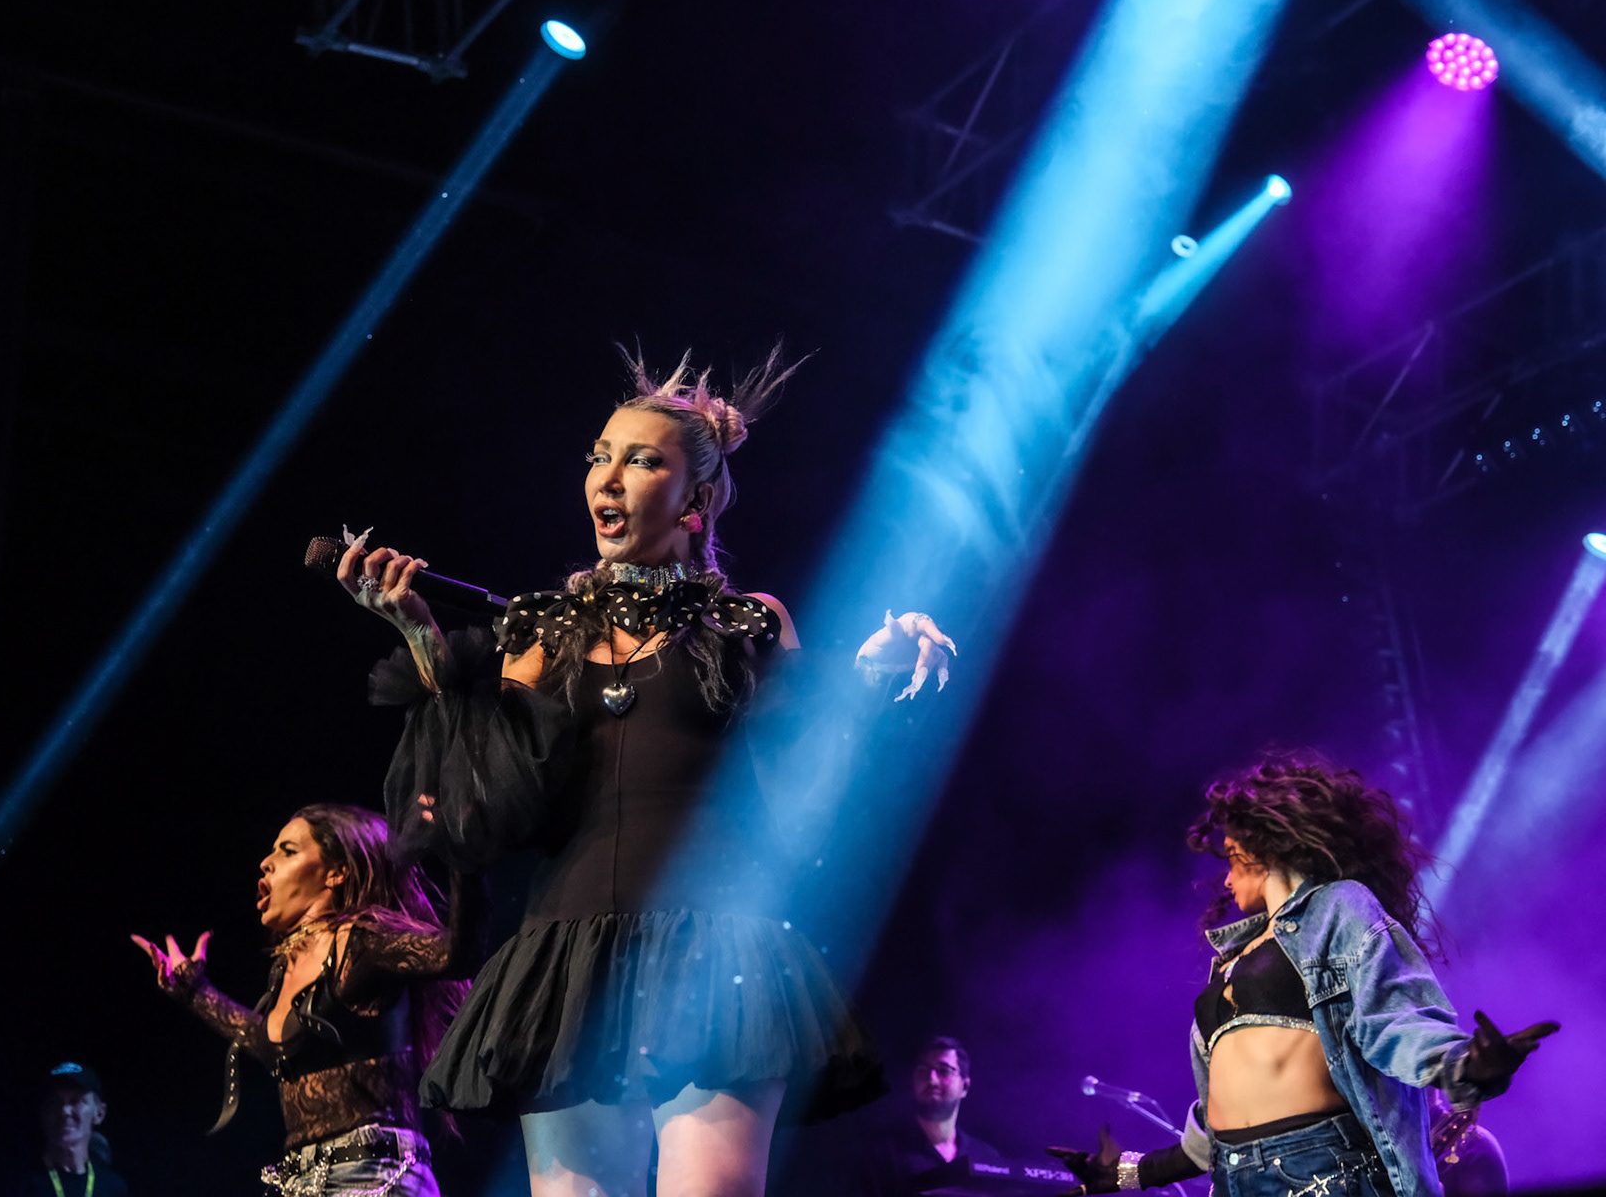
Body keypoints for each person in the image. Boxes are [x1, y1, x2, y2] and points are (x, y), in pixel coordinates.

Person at [339, 348, 955, 1197]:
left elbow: (809, 782)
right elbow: (491, 819)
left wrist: (868, 669)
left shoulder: (745, 623)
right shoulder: (540, 632)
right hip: (568, 960)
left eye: (640, 460)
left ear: (695, 502)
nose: (609, 475)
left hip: (716, 951)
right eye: (600, 456)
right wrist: (422, 643)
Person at [1049, 759, 1558, 1197]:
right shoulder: (1230, 957)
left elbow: (1394, 1018)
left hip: (1320, 1170)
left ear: (1263, 844)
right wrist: (1125, 1174)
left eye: (1231, 855)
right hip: (1234, 1178)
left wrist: (1468, 1065)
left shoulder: (1339, 907)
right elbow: (1212, 1128)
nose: (1225, 877)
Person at [133, 804, 476, 1197]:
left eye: (288, 851)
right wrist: (195, 992)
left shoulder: (362, 944)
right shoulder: (286, 968)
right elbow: (272, 1046)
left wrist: (463, 850)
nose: (265, 863)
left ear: (335, 872)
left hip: (376, 1173)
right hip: (301, 1181)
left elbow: (457, 954)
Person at [858, 1036, 1004, 1197]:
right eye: (923, 1071)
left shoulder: (986, 1157)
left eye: (943, 1070)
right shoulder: (882, 1154)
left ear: (965, 1086)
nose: (932, 1080)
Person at [13, 1061, 130, 1197]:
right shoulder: (20, 1184)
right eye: (54, 1102)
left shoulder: (113, 1188)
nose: (65, 1111)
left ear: (99, 1113)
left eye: (76, 1101)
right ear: (43, 1112)